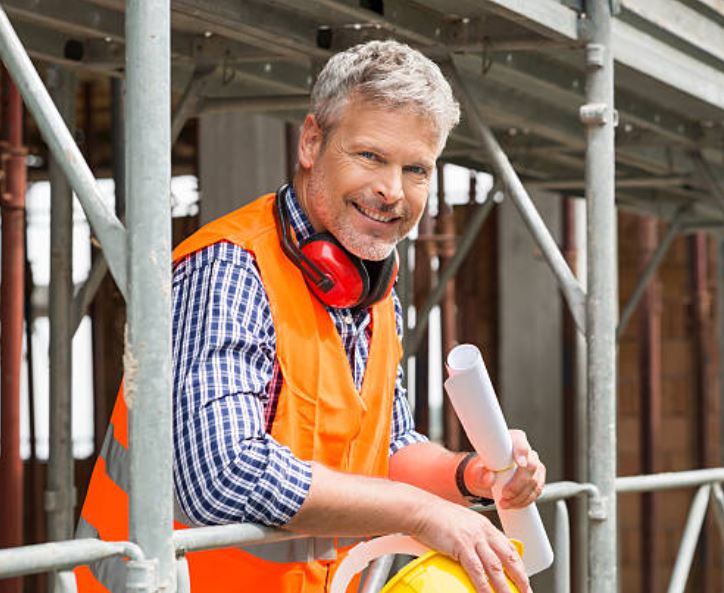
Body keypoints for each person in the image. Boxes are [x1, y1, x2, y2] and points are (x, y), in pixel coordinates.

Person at [75, 40, 545, 593]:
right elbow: (221, 476)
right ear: (312, 141)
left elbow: (386, 448)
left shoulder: (374, 291)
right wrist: (420, 513)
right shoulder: (230, 269)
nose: (392, 191)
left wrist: (470, 477)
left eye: (416, 169)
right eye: (370, 156)